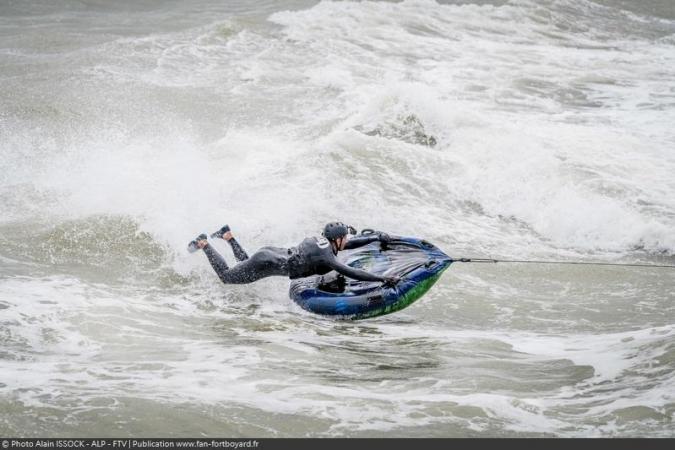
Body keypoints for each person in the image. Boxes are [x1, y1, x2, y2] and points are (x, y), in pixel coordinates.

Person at [188, 222, 400, 286]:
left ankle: (227, 236)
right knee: (226, 277)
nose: (347, 240)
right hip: (268, 261)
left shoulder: (323, 242)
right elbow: (350, 271)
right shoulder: (327, 256)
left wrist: (376, 237)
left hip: (269, 254)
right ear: (337, 239)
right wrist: (382, 278)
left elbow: (351, 244)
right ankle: (203, 243)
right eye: (344, 237)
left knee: (246, 262)